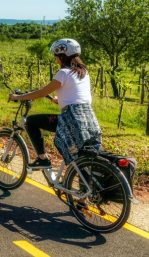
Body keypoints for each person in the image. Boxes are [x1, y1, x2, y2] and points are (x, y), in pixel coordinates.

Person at [9, 38, 102, 169]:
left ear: (62, 56)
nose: (56, 59)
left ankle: (43, 159)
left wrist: (20, 97)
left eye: (56, 56)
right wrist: (60, 100)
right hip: (89, 121)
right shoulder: (84, 72)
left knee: (30, 121)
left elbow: (42, 92)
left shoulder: (63, 73)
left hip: (71, 120)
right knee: (83, 155)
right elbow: (81, 98)